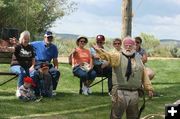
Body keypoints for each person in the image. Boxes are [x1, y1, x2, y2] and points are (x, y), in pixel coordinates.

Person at [93, 37, 153, 119]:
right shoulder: (117, 56)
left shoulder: (138, 59)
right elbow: (107, 56)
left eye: (130, 45)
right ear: (123, 46)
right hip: (120, 92)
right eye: (126, 45)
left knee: (133, 116)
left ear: (134, 46)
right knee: (116, 116)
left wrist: (149, 88)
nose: (128, 47)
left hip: (135, 92)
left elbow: (144, 74)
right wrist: (99, 51)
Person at [31, 31, 60, 95]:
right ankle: (35, 90)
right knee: (37, 73)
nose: (49, 39)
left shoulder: (54, 47)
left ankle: (52, 90)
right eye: (48, 37)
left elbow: (55, 59)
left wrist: (56, 67)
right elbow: (25, 43)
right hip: (38, 63)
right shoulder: (36, 44)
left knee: (56, 72)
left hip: (47, 64)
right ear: (44, 37)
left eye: (51, 38)